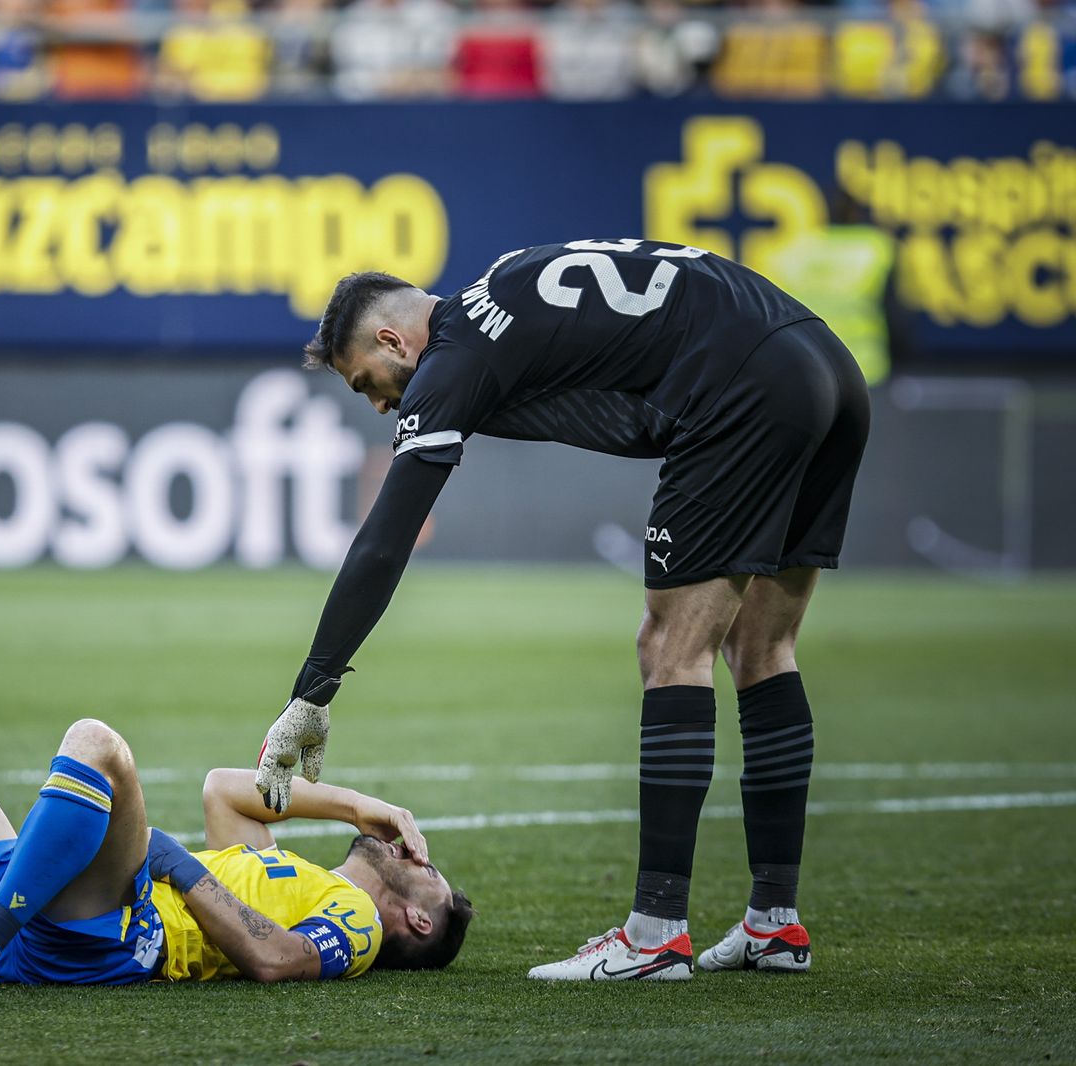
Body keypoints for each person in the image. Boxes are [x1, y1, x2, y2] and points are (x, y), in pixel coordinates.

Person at [254, 238, 868, 981]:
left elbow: (385, 542)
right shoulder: (508, 277)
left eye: (367, 383)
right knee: (763, 649)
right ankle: (774, 924)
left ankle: (656, 934)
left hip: (741, 390)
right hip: (827, 365)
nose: (382, 404)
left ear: (392, 340)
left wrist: (313, 691)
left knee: (670, 649)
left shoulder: (454, 354)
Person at [0, 713, 472, 991]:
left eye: (427, 871)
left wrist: (174, 863)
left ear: (418, 920)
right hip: (50, 898)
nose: (415, 853)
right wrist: (361, 806)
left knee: (98, 745)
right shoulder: (283, 870)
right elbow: (225, 789)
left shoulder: (356, 921)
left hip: (112, 931)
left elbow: (278, 959)